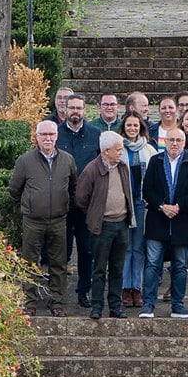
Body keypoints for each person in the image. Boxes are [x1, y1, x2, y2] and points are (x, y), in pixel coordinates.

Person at [8, 119, 75, 314]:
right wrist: (30, 204)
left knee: (59, 263)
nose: (47, 138)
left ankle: (57, 303)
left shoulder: (67, 160)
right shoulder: (25, 161)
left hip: (58, 220)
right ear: (36, 138)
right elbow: (14, 189)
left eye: (51, 134)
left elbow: (73, 187)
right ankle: (30, 302)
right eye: (43, 134)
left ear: (57, 137)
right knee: (29, 262)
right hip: (33, 221)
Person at [140, 126, 188, 318]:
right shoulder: (155, 161)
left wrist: (178, 206)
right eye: (171, 140)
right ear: (165, 142)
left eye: (178, 140)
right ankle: (148, 305)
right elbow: (147, 189)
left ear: (184, 143)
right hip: (157, 220)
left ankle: (178, 304)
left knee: (180, 265)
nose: (175, 143)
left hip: (183, 221)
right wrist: (162, 205)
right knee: (152, 264)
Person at [74, 131, 135, 320]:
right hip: (102, 226)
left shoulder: (123, 167)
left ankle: (116, 306)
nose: (121, 152)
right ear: (106, 151)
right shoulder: (91, 170)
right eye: (117, 149)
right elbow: (81, 199)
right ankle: (97, 306)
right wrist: (95, 214)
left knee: (117, 268)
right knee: (99, 268)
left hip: (121, 224)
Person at [59, 92, 102, 308]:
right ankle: (57, 293)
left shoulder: (96, 135)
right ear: (64, 109)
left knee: (86, 250)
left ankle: (84, 290)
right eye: (72, 108)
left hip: (87, 205)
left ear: (85, 111)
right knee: (61, 251)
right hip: (61, 205)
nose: (75, 112)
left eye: (79, 108)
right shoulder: (55, 134)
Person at [118, 109, 155, 306]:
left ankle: (137, 288)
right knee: (126, 247)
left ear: (141, 127)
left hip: (142, 203)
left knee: (139, 247)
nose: (132, 128)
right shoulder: (118, 147)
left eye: (135, 125)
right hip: (123, 203)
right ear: (123, 127)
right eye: (129, 125)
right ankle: (125, 288)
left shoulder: (149, 150)